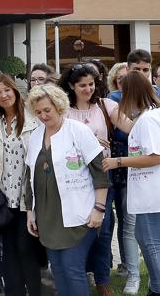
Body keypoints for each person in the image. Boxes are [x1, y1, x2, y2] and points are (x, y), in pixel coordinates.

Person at [102, 72, 160, 296]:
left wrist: (118, 161)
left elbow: (155, 156)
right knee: (143, 236)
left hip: (154, 191)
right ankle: (158, 289)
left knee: (155, 245)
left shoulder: (149, 120)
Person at [24, 84, 109, 296]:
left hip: (79, 213)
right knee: (58, 270)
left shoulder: (79, 131)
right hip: (48, 216)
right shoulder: (35, 135)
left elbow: (100, 173)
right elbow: (29, 178)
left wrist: (99, 208)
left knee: (72, 269)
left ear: (60, 107)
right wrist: (30, 212)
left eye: (47, 110)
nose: (43, 116)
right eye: (38, 112)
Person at [58, 63, 123, 295]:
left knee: (104, 230)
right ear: (71, 86)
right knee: (77, 230)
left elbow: (128, 125)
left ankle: (102, 278)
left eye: (91, 84)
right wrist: (89, 142)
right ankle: (79, 272)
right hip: (73, 179)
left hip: (102, 177)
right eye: (82, 85)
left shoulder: (106, 106)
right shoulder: (63, 110)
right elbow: (58, 142)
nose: (88, 89)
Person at [0, 74, 40, 296]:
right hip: (3, 199)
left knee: (25, 248)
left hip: (27, 199)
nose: (3, 95)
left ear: (16, 91)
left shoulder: (33, 120)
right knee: (8, 251)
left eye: (7, 90)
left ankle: (36, 291)